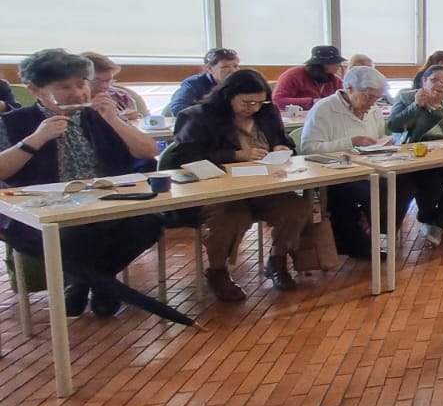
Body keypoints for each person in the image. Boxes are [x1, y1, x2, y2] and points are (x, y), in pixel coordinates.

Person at [0, 49, 163, 317]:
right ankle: (101, 286)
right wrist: (36, 139)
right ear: (36, 90)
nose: (77, 94)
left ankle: (88, 282)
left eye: (81, 84)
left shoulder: (99, 116)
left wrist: (114, 119)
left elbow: (148, 151)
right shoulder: (13, 122)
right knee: (77, 234)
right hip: (41, 213)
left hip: (105, 203)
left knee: (149, 223)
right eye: (64, 87)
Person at [169, 69, 309, 297]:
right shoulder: (197, 116)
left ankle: (278, 259)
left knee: (296, 207)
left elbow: (284, 141)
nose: (253, 108)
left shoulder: (267, 113)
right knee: (231, 216)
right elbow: (185, 158)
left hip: (264, 186)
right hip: (218, 192)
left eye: (259, 102)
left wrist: (281, 148)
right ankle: (217, 271)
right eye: (247, 103)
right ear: (228, 95)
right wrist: (235, 155)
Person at [301, 65, 391, 258]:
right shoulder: (324, 109)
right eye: (368, 96)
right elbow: (309, 148)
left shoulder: (373, 110)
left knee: (401, 184)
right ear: (349, 88)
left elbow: (377, 138)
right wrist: (351, 142)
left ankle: (379, 234)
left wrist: (384, 143)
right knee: (370, 191)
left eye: (377, 98)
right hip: (334, 173)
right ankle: (360, 242)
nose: (372, 103)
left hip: (369, 167)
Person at [387, 64, 443, 246]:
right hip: (415, 158)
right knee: (432, 183)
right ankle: (430, 219)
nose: (440, 84)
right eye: (434, 80)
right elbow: (393, 125)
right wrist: (416, 106)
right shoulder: (406, 97)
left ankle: (438, 223)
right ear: (424, 81)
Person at [165, 48, 241, 117]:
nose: (233, 71)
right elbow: (178, 107)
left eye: (235, 66)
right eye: (225, 67)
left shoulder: (241, 82)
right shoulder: (194, 83)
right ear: (209, 69)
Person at [274, 46, 346, 112]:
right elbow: (277, 100)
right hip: (296, 117)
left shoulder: (335, 80)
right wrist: (312, 102)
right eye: (336, 62)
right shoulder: (293, 75)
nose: (339, 65)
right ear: (323, 64)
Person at [83, 52, 146, 117]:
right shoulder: (77, 102)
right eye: (96, 81)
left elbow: (138, 119)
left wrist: (125, 118)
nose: (105, 86)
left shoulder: (121, 96)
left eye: (108, 80)